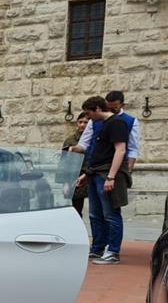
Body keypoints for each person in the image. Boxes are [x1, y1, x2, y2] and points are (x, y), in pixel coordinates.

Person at [79, 96, 130, 265]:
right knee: (95, 214)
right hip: (95, 173)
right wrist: (86, 174)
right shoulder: (101, 124)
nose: (88, 117)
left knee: (111, 214)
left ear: (98, 109)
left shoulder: (117, 123)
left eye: (89, 113)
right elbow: (99, 152)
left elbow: (120, 150)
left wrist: (111, 176)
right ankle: (98, 248)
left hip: (105, 174)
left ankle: (113, 251)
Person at [73, 90, 141, 172]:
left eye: (114, 108)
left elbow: (132, 149)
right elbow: (84, 144)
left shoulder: (131, 121)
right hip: (94, 167)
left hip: (117, 169)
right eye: (109, 107)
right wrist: (72, 149)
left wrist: (128, 170)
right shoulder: (94, 120)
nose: (111, 110)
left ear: (122, 105)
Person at [60, 112, 89, 216]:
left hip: (91, 174)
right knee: (76, 209)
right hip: (76, 177)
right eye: (80, 122)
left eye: (85, 122)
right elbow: (64, 162)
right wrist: (65, 182)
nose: (82, 125)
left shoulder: (95, 138)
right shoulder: (70, 140)